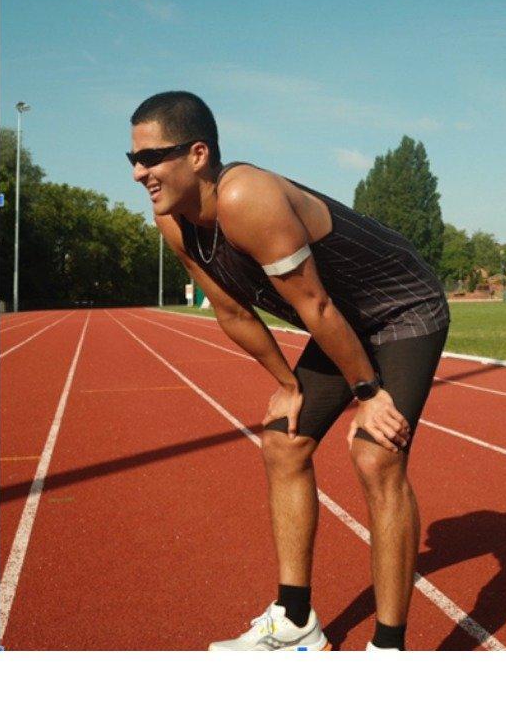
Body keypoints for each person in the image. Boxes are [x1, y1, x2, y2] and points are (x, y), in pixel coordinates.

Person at [128, 91, 450, 651]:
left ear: (198, 153)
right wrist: (287, 383)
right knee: (283, 442)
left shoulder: (246, 197)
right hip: (340, 318)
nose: (139, 172)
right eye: (132, 159)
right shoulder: (173, 223)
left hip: (401, 308)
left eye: (152, 157)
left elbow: (316, 308)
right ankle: (296, 621)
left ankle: (390, 650)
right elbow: (232, 311)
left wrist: (367, 394)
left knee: (376, 453)